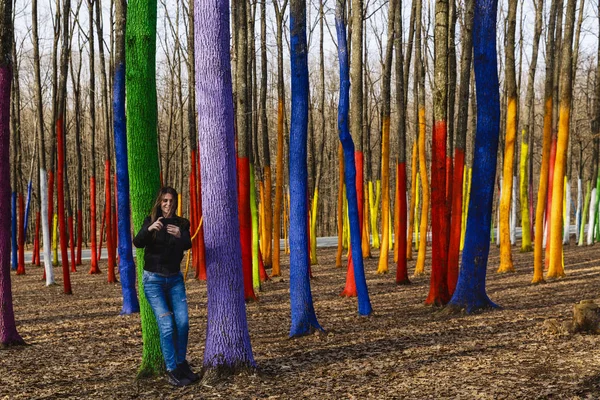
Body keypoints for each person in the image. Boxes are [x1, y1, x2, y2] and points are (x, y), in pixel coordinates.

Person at [133, 187, 198, 386]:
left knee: (183, 323)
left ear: (175, 202)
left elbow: (188, 244)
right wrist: (149, 229)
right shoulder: (152, 221)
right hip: (154, 281)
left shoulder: (182, 223)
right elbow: (138, 242)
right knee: (167, 325)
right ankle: (171, 369)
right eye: (164, 201)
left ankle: (180, 363)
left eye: (171, 201)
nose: (168, 204)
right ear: (159, 203)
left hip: (175, 280)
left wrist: (180, 235)